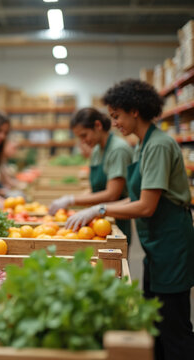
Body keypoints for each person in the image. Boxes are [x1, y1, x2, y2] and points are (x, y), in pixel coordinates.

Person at [66, 79, 194, 360]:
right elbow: (134, 198)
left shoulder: (158, 145)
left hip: (171, 243)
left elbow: (146, 206)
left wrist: (101, 210)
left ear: (134, 110)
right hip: (156, 244)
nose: (115, 123)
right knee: (156, 320)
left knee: (174, 325)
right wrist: (101, 206)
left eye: (116, 116)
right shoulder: (141, 145)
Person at [49, 107, 133, 242]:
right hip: (96, 221)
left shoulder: (118, 150)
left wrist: (71, 200)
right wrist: (74, 204)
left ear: (98, 125)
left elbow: (112, 194)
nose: (83, 141)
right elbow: (95, 188)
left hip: (115, 221)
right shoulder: (97, 150)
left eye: (84, 135)